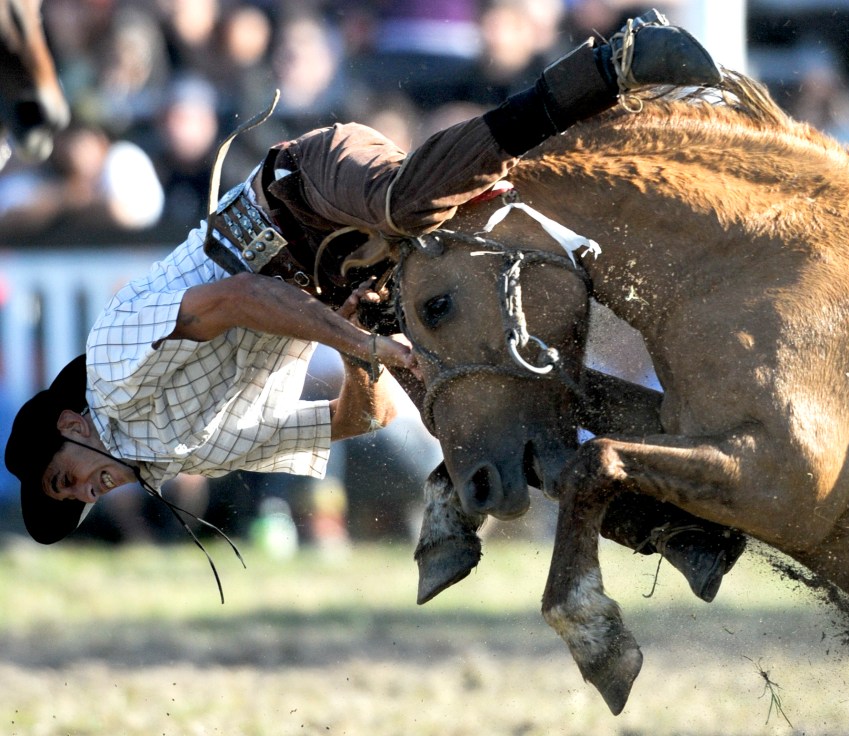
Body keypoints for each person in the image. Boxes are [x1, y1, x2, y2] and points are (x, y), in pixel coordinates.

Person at [5, 10, 742, 598]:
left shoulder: (109, 369)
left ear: (71, 422)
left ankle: (606, 65)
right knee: (473, 415)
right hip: (344, 280)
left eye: (63, 477)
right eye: (78, 501)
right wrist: (365, 346)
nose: (85, 491)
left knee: (409, 201)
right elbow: (366, 417)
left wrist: (360, 345)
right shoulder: (182, 451)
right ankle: (676, 517)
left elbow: (244, 293)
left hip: (303, 192)